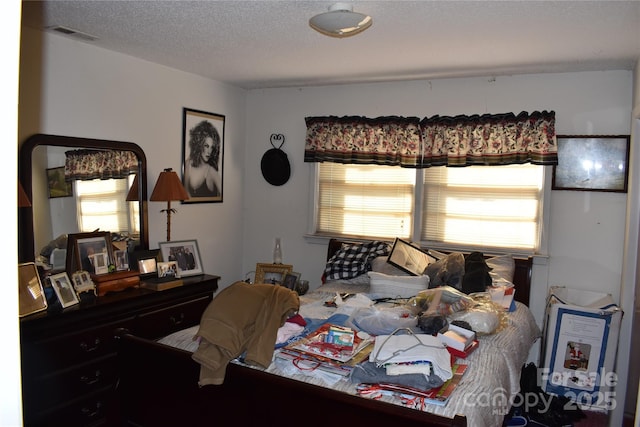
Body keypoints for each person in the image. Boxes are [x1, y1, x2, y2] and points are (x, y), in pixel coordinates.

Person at [184, 120, 221, 197]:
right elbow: (185, 192)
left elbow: (224, 195)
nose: (209, 151)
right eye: (206, 146)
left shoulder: (211, 171)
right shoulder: (188, 164)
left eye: (212, 147)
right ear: (199, 144)